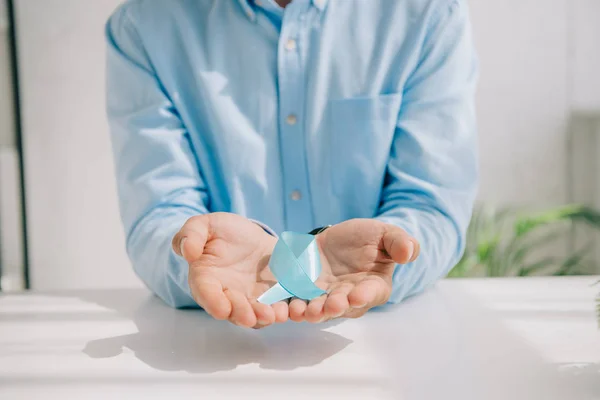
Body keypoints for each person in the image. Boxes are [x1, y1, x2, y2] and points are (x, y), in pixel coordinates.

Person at [105, 0, 478, 329]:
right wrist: (200, 263)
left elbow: (431, 204)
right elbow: (158, 214)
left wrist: (383, 259)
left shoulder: (427, 14)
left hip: (386, 339)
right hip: (215, 342)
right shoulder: (144, 27)